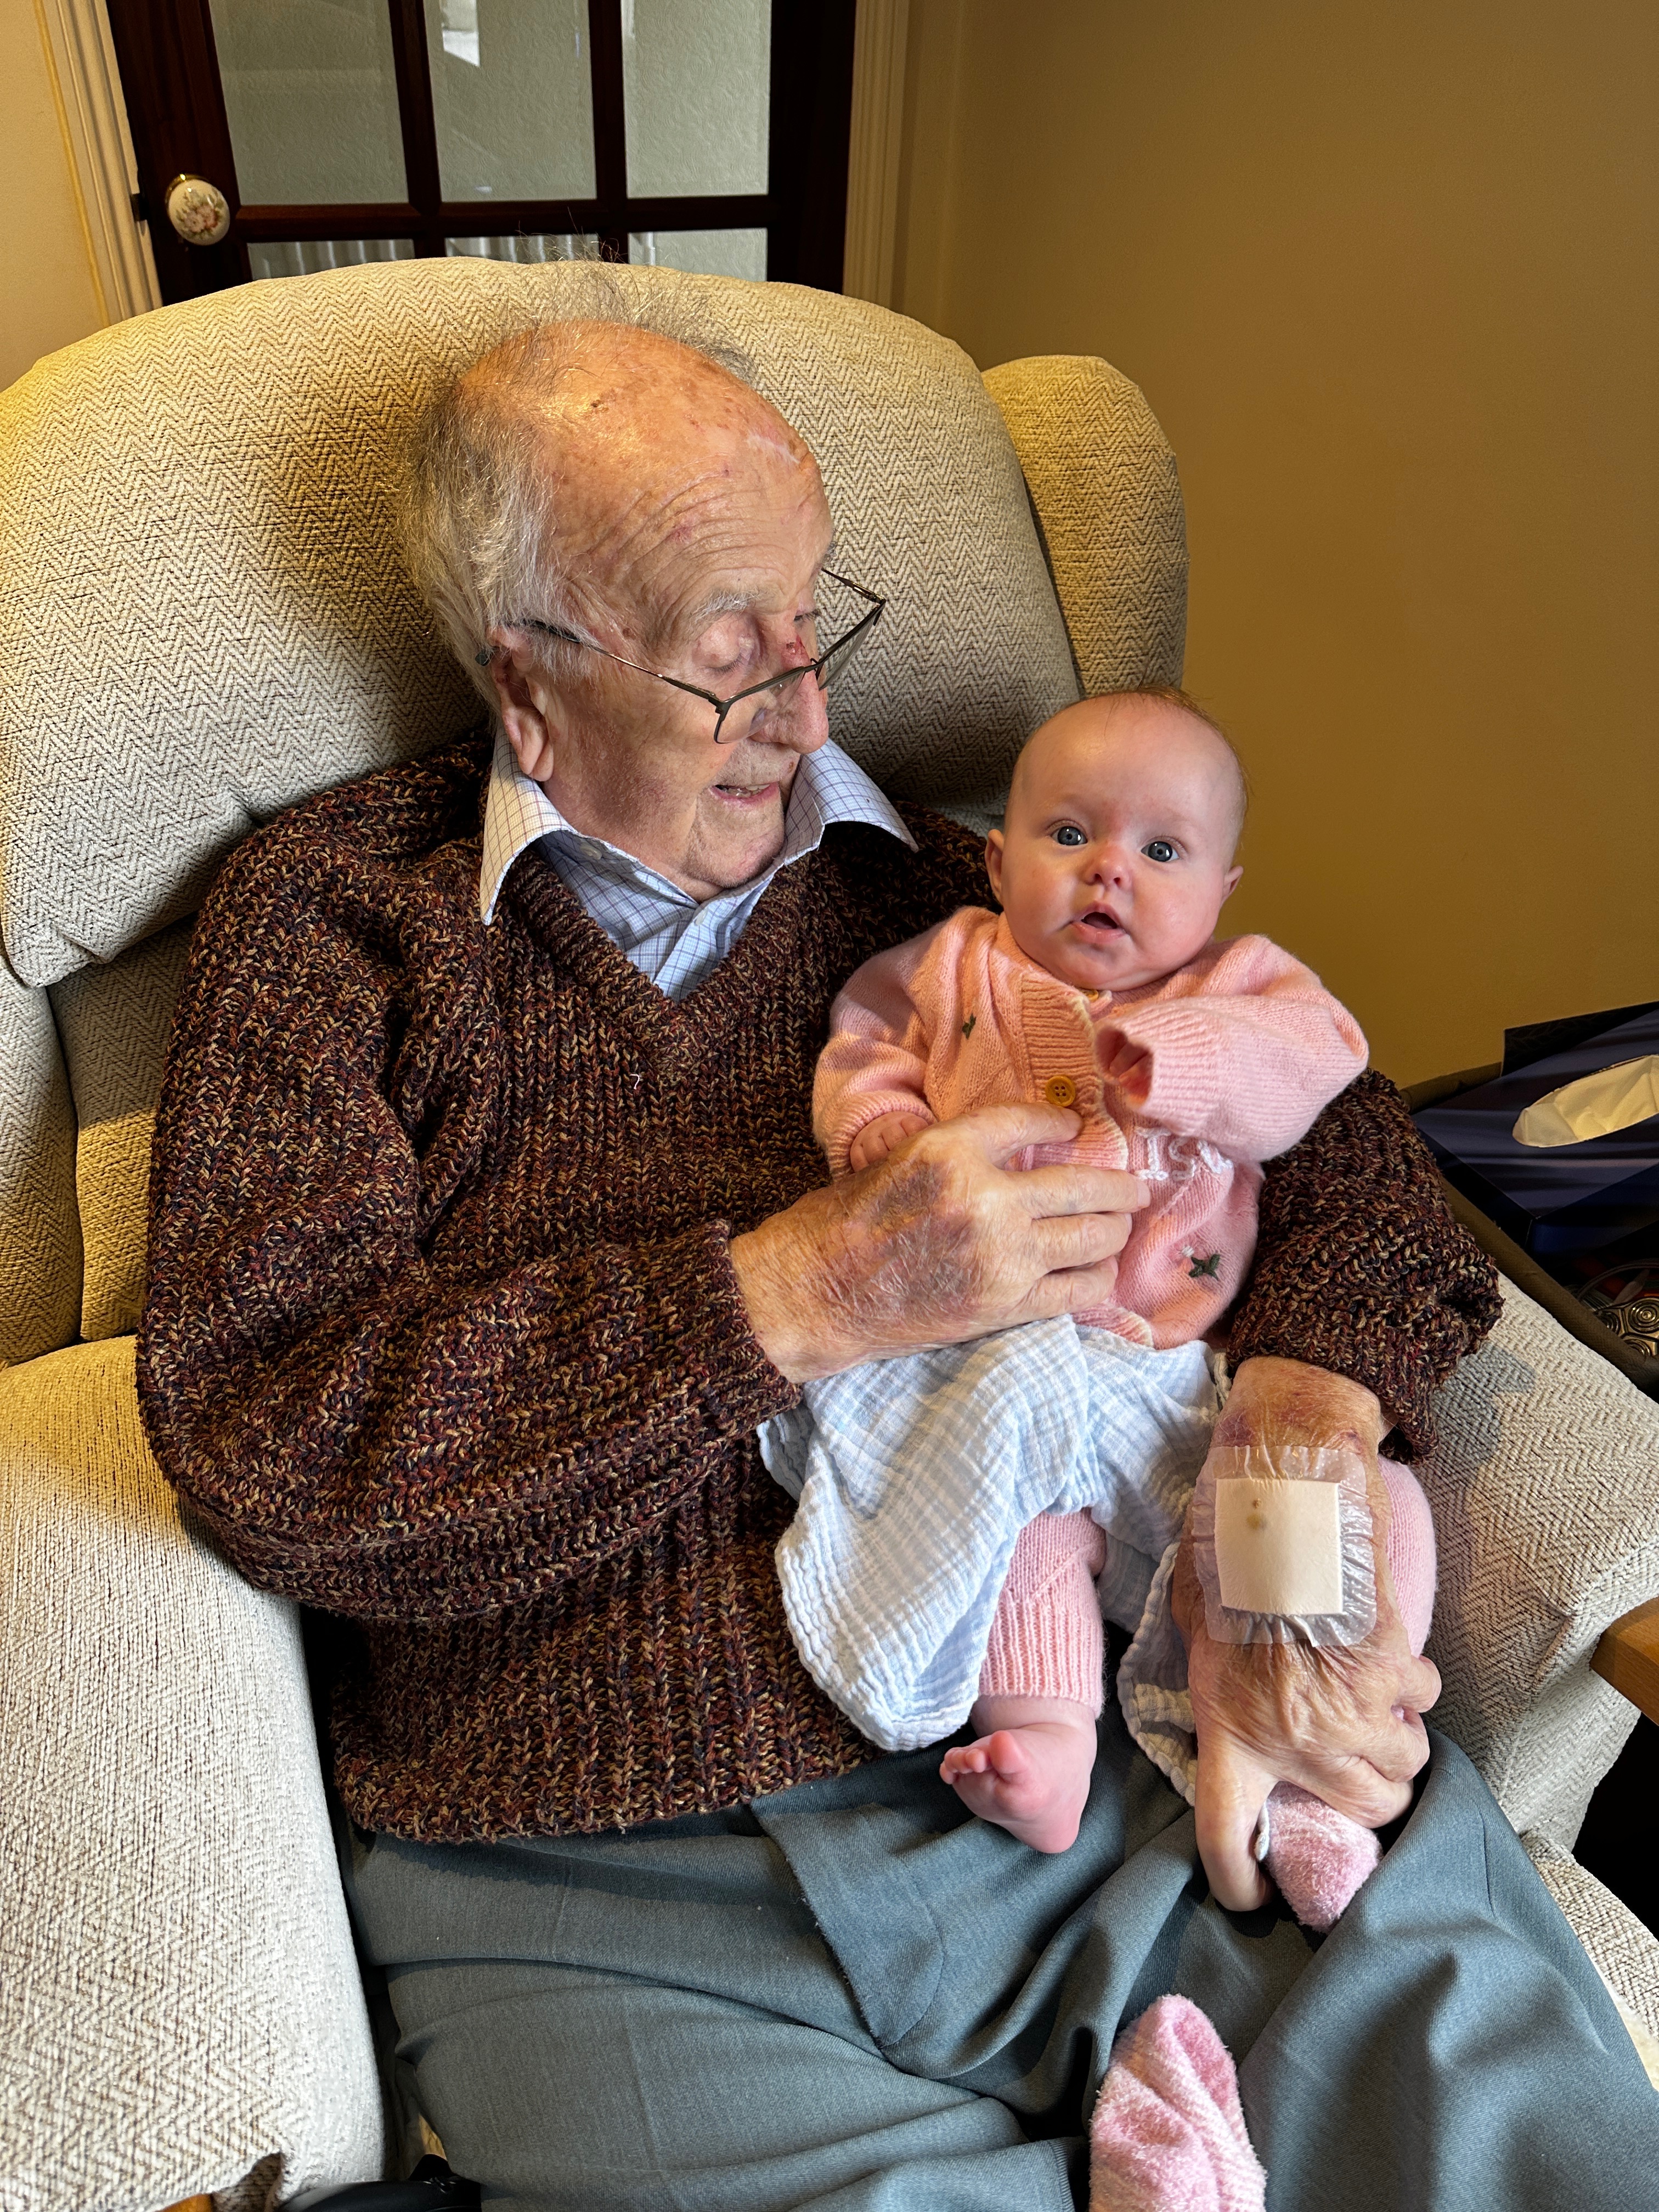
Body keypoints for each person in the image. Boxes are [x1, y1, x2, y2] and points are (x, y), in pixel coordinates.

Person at [136, 319, 1655, 2211]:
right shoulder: (340, 921)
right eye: (728, 652)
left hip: (1118, 1754)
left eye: (816, 621)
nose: (808, 713)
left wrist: (1295, 1436)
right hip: (597, 1858)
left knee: (1537, 2138)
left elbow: (1345, 1142)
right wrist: (796, 1292)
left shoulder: (979, 887)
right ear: (527, 683)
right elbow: (267, 1430)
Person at [765, 689, 1434, 1934]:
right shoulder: (949, 963)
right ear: (997, 862)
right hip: (1000, 1355)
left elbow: (1318, 1059)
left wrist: (1182, 1057)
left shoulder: (1240, 984)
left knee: (1361, 1502)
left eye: (1162, 851)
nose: (1109, 871)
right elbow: (862, 1050)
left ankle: (1317, 1793)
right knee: (1023, 1536)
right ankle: (1047, 1744)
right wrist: (888, 1143)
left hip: (1174, 1380)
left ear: (1224, 889)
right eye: (1069, 836)